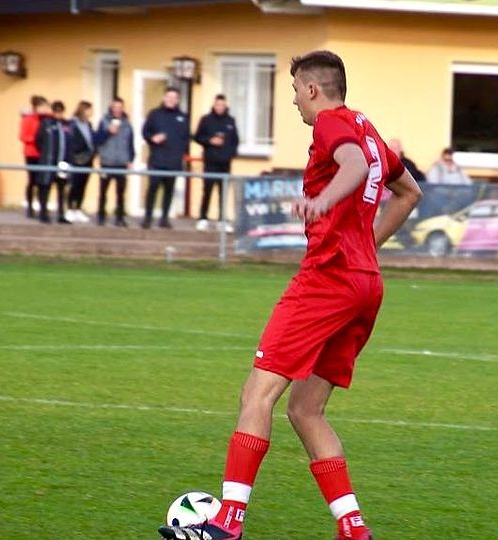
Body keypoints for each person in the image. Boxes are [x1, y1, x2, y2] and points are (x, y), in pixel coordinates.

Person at [157, 50, 423, 540]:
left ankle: (227, 522)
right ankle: (353, 528)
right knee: (305, 409)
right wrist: (366, 246)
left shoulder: (331, 125)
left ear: (313, 89)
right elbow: (410, 193)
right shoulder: (366, 127)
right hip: (365, 284)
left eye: (296, 91)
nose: (296, 101)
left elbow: (353, 163)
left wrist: (322, 200)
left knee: (256, 394)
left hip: (327, 280)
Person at [141, 87, 190, 229]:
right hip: (157, 160)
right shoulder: (155, 114)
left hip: (173, 162)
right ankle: (147, 218)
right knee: (153, 189)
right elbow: (145, 132)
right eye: (169, 97)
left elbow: (186, 137)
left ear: (177, 100)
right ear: (164, 98)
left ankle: (164, 219)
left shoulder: (183, 117)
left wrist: (180, 152)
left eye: (174, 98)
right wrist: (153, 138)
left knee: (169, 191)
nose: (171, 100)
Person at [193, 94, 239, 232]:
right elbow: (197, 137)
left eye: (222, 105)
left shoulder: (230, 121)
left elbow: (235, 141)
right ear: (214, 105)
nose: (220, 107)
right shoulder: (206, 120)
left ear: (225, 106)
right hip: (210, 162)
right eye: (218, 105)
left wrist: (230, 154)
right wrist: (210, 141)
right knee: (207, 191)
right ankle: (203, 218)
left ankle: (222, 220)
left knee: (223, 193)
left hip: (224, 164)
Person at [95, 97, 135, 227]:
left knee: (121, 193)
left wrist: (131, 159)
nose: (117, 109)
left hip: (121, 163)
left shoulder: (127, 124)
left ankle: (120, 217)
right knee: (103, 191)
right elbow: (97, 140)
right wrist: (108, 132)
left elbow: (130, 143)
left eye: (119, 107)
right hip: (107, 162)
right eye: (115, 107)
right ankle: (101, 216)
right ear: (111, 108)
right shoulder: (104, 121)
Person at [35, 101, 72, 224]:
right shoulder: (46, 124)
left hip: (63, 163)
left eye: (60, 111)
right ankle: (43, 213)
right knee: (45, 187)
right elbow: (38, 140)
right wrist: (45, 154)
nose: (58, 114)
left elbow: (70, 141)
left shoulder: (66, 125)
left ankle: (61, 214)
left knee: (62, 189)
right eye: (56, 111)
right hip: (49, 161)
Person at [20, 95, 50, 218]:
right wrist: (37, 139)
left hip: (45, 154)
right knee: (32, 180)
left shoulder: (48, 119)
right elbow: (23, 136)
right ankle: (30, 206)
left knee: (43, 182)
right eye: (42, 106)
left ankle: (43, 207)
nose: (45, 109)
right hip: (32, 153)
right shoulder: (29, 119)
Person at [66, 100, 96, 223]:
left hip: (88, 159)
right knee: (74, 185)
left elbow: (92, 139)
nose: (91, 112)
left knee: (83, 185)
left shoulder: (88, 124)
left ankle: (78, 208)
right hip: (76, 159)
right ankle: (70, 208)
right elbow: (72, 141)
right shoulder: (73, 124)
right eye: (89, 109)